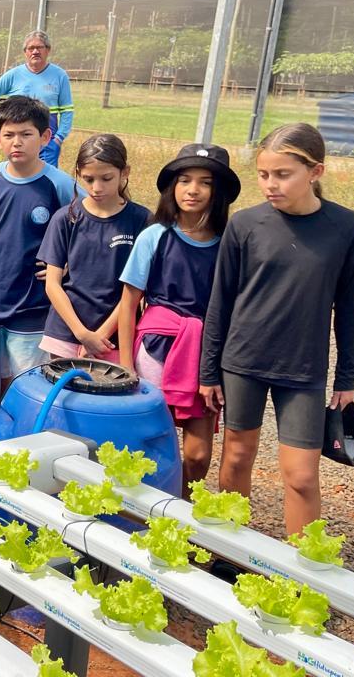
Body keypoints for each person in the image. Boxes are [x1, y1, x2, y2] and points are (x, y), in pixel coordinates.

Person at [200, 123, 354, 536]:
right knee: (237, 459)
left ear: (316, 172)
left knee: (302, 477)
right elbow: (220, 302)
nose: (270, 185)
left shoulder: (347, 227)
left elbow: (350, 307)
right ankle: (228, 555)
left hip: (304, 369)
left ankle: (301, 574)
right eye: (263, 174)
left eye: (282, 174)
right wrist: (209, 372)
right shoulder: (245, 225)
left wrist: (346, 377)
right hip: (243, 362)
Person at [117, 143, 239, 491]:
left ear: (219, 192)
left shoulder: (230, 244)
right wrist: (127, 365)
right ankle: (147, 513)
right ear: (173, 187)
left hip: (205, 351)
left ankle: (179, 507)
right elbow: (129, 303)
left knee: (198, 455)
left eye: (205, 182)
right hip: (156, 348)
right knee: (154, 441)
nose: (193, 190)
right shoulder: (155, 236)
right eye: (185, 180)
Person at [0, 96, 79, 393]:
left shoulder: (61, 185)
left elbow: (87, 234)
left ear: (45, 137)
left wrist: (66, 267)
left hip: (33, 307)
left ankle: (22, 438)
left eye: (26, 134)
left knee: (27, 386)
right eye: (9, 135)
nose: (17, 142)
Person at [39, 134, 149, 362]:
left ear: (124, 172)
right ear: (78, 174)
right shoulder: (65, 218)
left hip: (116, 337)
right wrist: (82, 334)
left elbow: (136, 292)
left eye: (106, 178)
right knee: (64, 397)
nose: (97, 187)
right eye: (88, 179)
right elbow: (52, 284)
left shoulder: (142, 220)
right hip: (65, 331)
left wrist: (100, 335)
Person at [0, 31, 74, 167]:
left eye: (40, 47)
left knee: (46, 175)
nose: (35, 51)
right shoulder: (14, 74)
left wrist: (59, 138)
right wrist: (3, 121)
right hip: (18, 133)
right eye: (31, 48)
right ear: (25, 52)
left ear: (48, 50)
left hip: (48, 134)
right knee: (20, 170)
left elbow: (67, 110)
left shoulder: (59, 75)